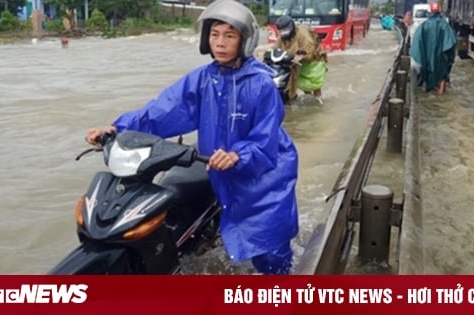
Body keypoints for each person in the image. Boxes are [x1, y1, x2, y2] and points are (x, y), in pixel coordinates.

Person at [85, 0, 299, 275]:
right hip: (221, 168)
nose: (220, 42)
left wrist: (238, 154)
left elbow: (265, 139)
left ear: (244, 40)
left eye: (229, 35)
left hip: (265, 179)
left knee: (270, 252)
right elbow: (160, 111)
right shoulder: (201, 80)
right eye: (214, 34)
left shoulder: (261, 84)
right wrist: (116, 128)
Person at [274, 14, 327, 102]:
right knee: (300, 82)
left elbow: (310, 50)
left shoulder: (302, 34)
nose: (284, 32)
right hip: (296, 62)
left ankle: (318, 100)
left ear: (291, 27)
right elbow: (274, 49)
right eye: (281, 30)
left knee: (314, 83)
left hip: (314, 59)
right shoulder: (282, 38)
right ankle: (308, 97)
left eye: (286, 30)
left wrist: (301, 56)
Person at [409, 1, 456, 94]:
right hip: (441, 57)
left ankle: (429, 92)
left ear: (430, 11)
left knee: (428, 73)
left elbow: (417, 43)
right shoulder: (445, 25)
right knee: (442, 75)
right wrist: (450, 58)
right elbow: (451, 43)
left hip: (427, 57)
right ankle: (441, 95)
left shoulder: (423, 26)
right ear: (439, 11)